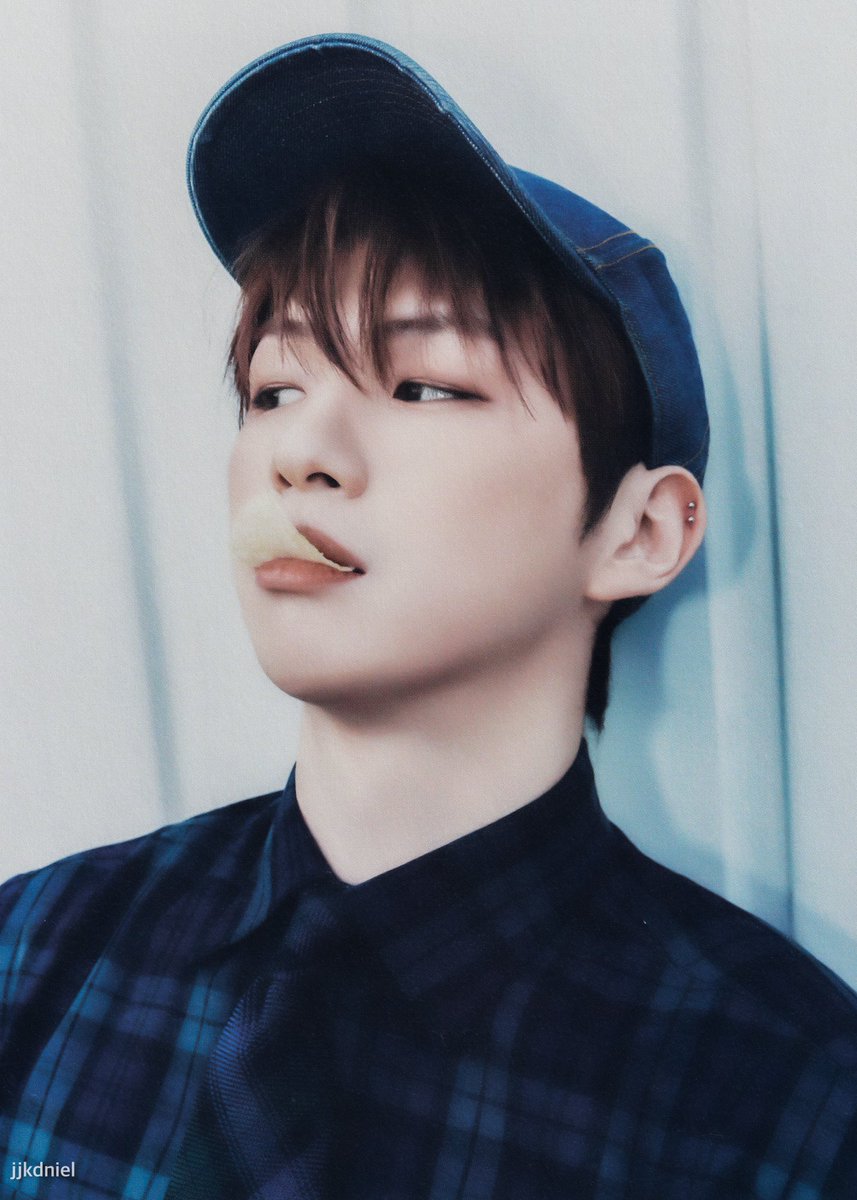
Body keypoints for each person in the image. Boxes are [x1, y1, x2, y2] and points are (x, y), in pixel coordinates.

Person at [1, 32, 855, 1200]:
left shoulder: (788, 1100)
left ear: (639, 531)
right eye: (272, 390)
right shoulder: (33, 951)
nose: (297, 453)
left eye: (423, 386)